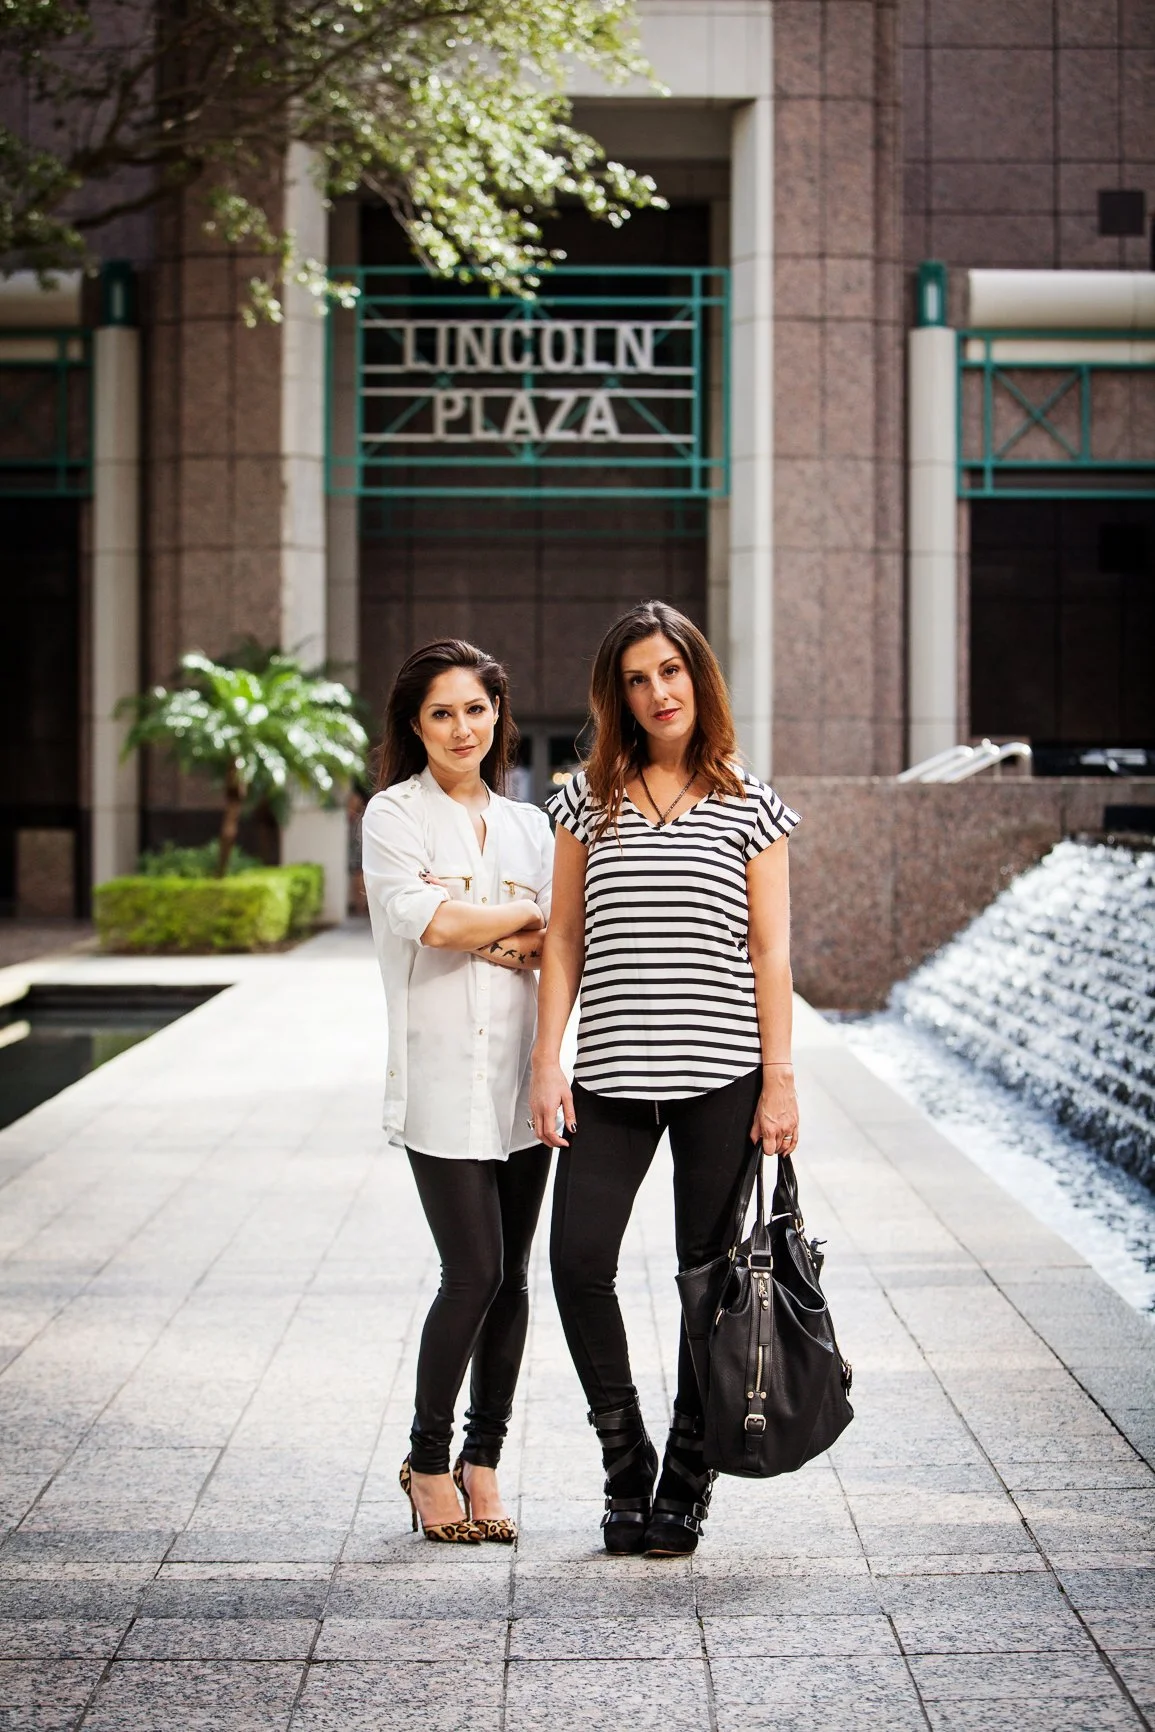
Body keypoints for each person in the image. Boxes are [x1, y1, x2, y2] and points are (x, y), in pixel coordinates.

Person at [530, 600, 800, 1556]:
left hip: (721, 1078)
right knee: (575, 1263)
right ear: (618, 695)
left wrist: (780, 1080)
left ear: (699, 677)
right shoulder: (582, 801)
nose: (657, 693)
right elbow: (562, 938)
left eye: (671, 672)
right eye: (637, 679)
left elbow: (770, 953)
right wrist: (544, 1061)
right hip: (607, 1076)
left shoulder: (749, 803)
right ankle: (623, 1456)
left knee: (709, 1285)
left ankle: (688, 1472)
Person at [362, 639, 554, 1544]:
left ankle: (485, 1464)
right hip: (440, 1082)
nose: (461, 728)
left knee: (513, 1281)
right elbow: (425, 921)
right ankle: (427, 1461)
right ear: (414, 724)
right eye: (441, 712)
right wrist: (520, 917)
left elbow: (559, 951)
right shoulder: (392, 816)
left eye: (475, 710)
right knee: (470, 1272)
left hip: (523, 1082)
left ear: (496, 715)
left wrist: (479, 923)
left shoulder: (529, 829)